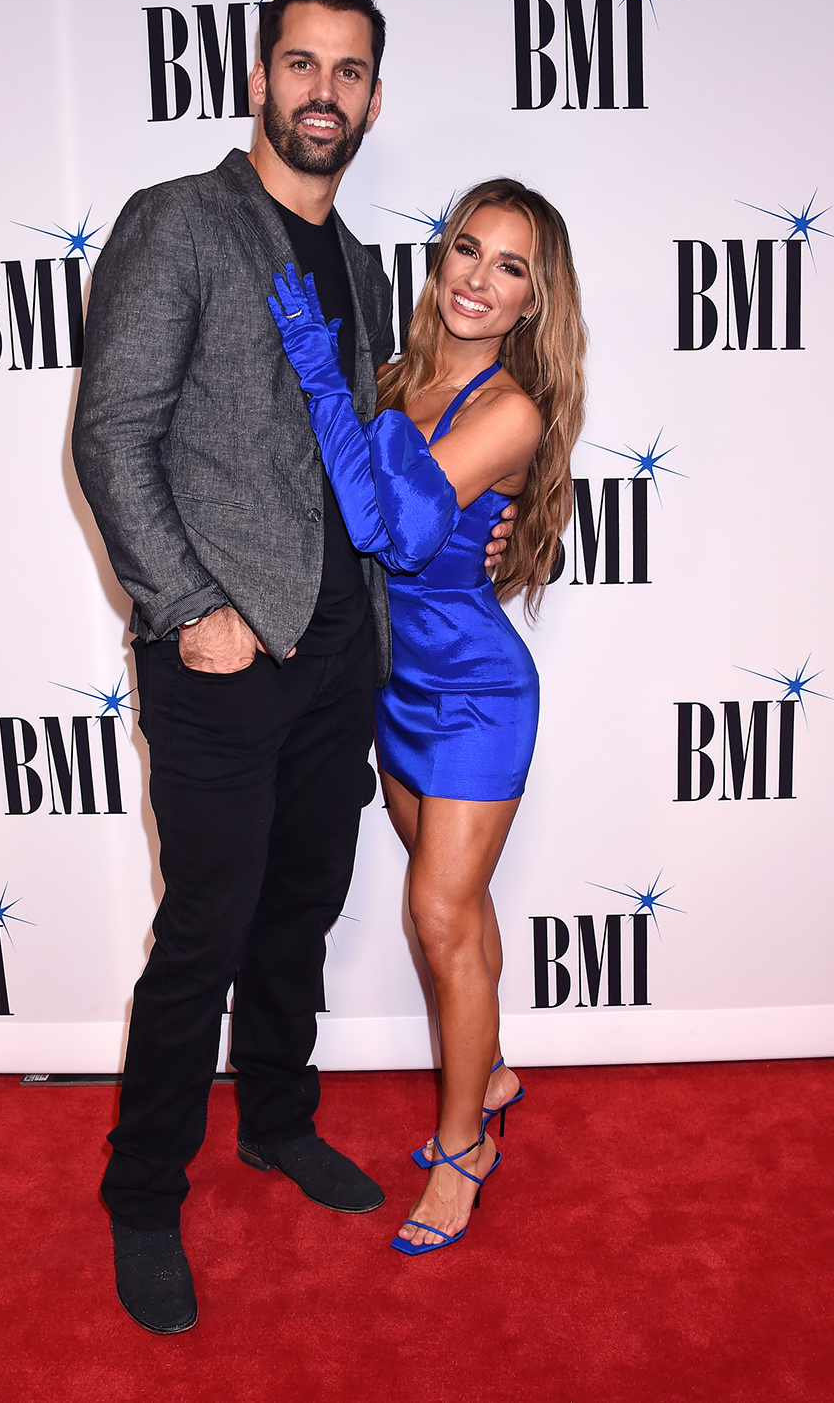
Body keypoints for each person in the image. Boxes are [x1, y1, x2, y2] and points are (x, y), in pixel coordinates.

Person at [72, 0, 513, 1332]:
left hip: (339, 656)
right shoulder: (181, 224)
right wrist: (186, 602)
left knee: (302, 906)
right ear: (259, 79)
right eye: (302, 65)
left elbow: (380, 460)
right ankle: (144, 1191)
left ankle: (274, 1117)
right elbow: (111, 435)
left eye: (351, 71)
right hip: (216, 657)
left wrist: (463, 547)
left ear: (373, 98)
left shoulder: (365, 263)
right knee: (203, 924)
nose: (325, 92)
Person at [269, 177, 586, 1252]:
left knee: (438, 916)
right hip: (391, 683)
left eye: (511, 268)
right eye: (467, 249)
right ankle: (486, 1069)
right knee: (460, 904)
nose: (478, 279)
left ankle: (462, 1150)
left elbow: (393, 530)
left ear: (534, 302)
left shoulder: (510, 408)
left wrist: (317, 371)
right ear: (440, 258)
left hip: (474, 694)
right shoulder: (396, 375)